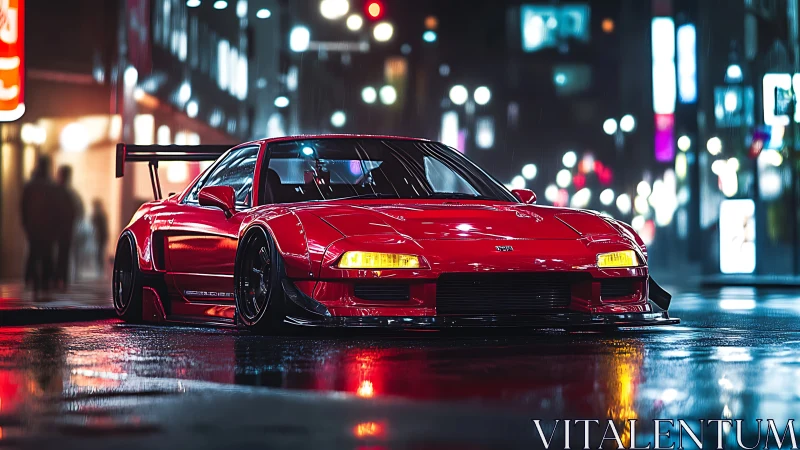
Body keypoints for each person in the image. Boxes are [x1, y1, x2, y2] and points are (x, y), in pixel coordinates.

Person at [21, 156, 58, 296]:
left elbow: (23, 207)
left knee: (34, 253)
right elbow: (55, 209)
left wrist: (25, 223)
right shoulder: (50, 186)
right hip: (47, 228)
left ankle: (31, 280)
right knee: (46, 255)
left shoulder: (30, 186)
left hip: (34, 227)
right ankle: (44, 282)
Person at [53, 166, 83, 289]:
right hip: (65, 229)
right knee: (63, 254)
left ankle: (57, 278)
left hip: (56, 229)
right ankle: (62, 278)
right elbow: (78, 210)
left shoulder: (56, 191)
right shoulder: (70, 193)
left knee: (57, 254)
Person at [91, 199, 109, 275]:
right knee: (100, 251)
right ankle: (99, 267)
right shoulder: (101, 214)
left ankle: (99, 267)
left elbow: (94, 224)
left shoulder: (98, 215)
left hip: (100, 235)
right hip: (101, 235)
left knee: (99, 251)